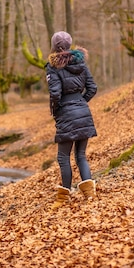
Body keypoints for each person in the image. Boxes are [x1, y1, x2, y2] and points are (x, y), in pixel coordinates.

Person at [45, 31, 98, 209]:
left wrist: (57, 110)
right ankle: (90, 195)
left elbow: (55, 93)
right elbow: (92, 87)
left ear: (54, 46)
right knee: (81, 155)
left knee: (63, 157)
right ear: (70, 45)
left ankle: (63, 197)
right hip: (83, 112)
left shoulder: (53, 67)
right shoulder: (80, 62)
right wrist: (81, 102)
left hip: (66, 114)